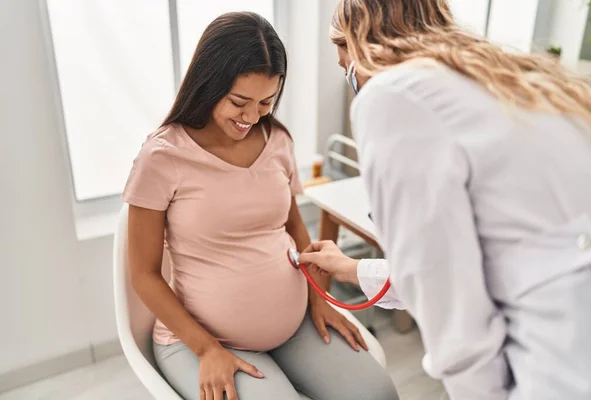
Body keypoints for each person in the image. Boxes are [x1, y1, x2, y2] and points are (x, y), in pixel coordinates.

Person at [299, 0, 591, 399]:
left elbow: (458, 324)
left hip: (556, 371)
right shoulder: (517, 79)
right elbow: (471, 260)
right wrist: (354, 269)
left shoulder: (393, 95)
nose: (352, 81)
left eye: (345, 66)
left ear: (360, 44)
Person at [123, 11, 398, 400]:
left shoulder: (277, 140)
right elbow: (144, 275)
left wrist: (319, 300)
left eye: (266, 102)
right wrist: (207, 349)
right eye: (240, 102)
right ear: (208, 83)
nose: (251, 117)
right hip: (205, 340)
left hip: (296, 324)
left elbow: (295, 229)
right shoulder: (162, 157)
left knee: (377, 393)